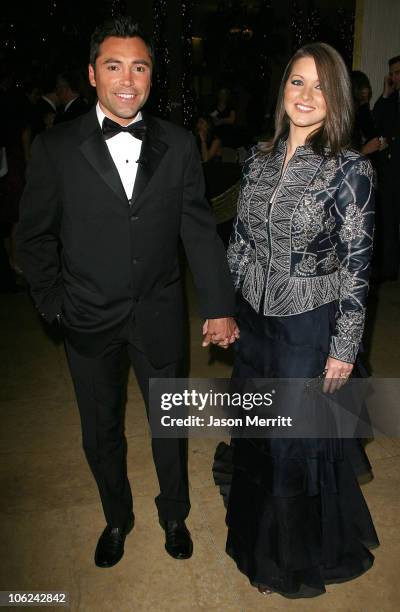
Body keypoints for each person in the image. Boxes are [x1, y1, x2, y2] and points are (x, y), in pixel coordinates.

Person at [17, 17, 238, 569]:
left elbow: (197, 229)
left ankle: (175, 514)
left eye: (139, 67)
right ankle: (117, 517)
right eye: (114, 66)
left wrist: (216, 305)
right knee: (101, 428)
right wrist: (54, 303)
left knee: (171, 422)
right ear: (93, 74)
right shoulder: (56, 147)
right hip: (87, 316)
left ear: (150, 76)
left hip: (161, 311)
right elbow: (33, 236)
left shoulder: (181, 144)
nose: (127, 79)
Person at [219, 42, 378, 598]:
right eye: (296, 82)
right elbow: (239, 239)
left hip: (309, 329)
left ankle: (285, 560)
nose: (306, 96)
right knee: (255, 435)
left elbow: (359, 269)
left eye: (319, 86)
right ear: (282, 89)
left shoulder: (350, 169)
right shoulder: (258, 157)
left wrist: (345, 347)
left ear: (336, 98)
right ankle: (254, 543)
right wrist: (229, 302)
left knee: (291, 446)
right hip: (254, 325)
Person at [373, 55, 400, 280]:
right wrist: (384, 95)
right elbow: (375, 123)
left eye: (398, 72)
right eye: (392, 73)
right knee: (389, 221)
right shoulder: (389, 101)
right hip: (391, 173)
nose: (394, 77)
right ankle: (390, 270)